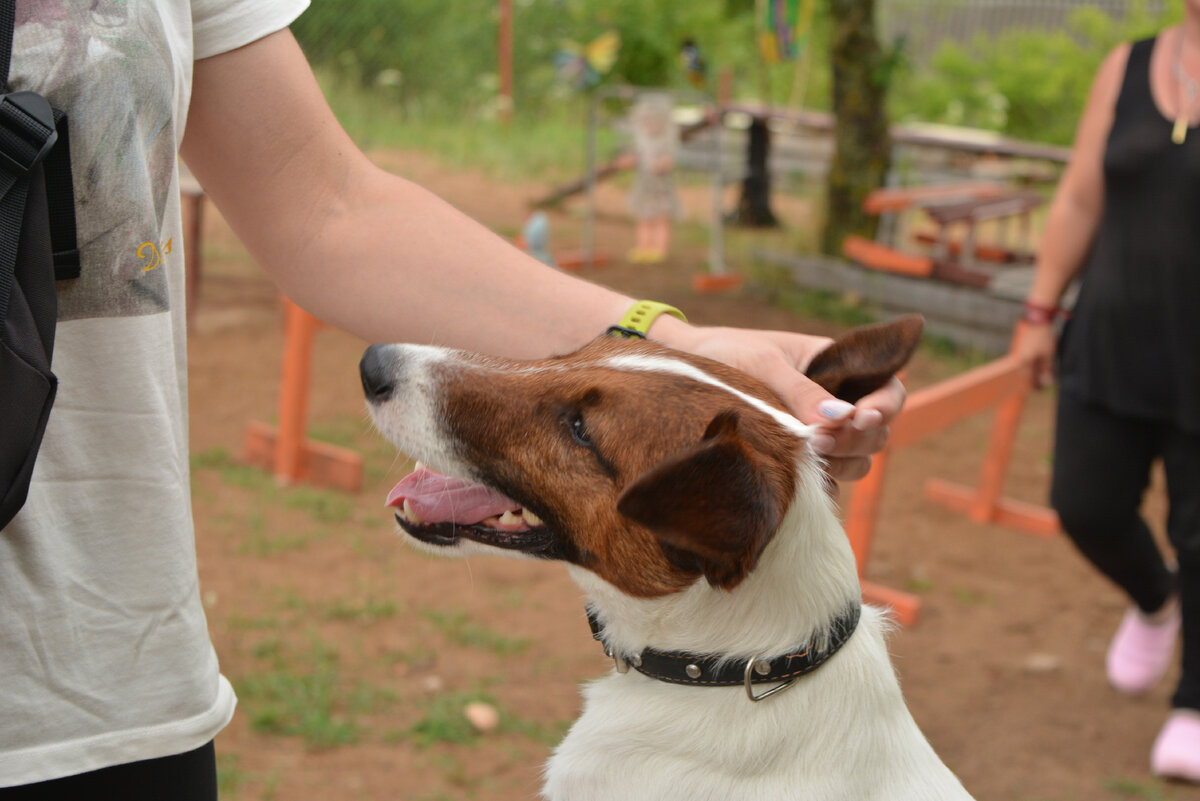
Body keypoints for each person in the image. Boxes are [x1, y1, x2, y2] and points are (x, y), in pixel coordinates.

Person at [0, 2, 906, 797]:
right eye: (584, 414)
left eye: (580, 425)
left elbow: (328, 205)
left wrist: (671, 342)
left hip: (110, 682)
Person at [1019, 0, 1200, 782]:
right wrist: (1038, 310)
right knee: (1084, 503)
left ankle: (1194, 701)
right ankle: (1156, 599)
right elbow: (1080, 198)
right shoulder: (1126, 65)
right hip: (1112, 339)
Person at [624, 92, 679, 264]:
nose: (649, 124)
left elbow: (670, 160)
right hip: (645, 187)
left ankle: (659, 250)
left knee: (662, 219)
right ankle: (643, 248)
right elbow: (635, 158)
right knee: (644, 219)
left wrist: (661, 164)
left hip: (661, 188)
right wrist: (628, 161)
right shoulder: (641, 141)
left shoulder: (666, 141)